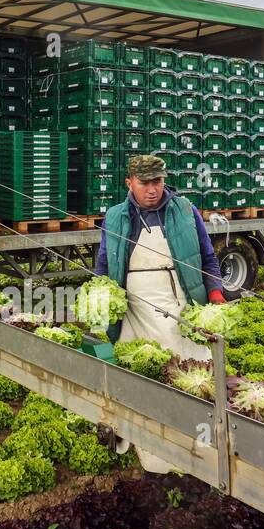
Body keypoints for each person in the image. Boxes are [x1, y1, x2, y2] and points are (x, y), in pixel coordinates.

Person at [94, 154, 228, 471]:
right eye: (145, 183)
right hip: (136, 315)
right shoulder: (114, 218)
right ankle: (154, 454)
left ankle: (201, 450)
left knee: (193, 379)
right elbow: (103, 267)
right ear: (130, 183)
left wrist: (215, 292)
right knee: (143, 382)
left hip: (180, 310)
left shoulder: (185, 211)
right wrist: (101, 300)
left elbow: (208, 259)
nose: (152, 189)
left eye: (158, 182)